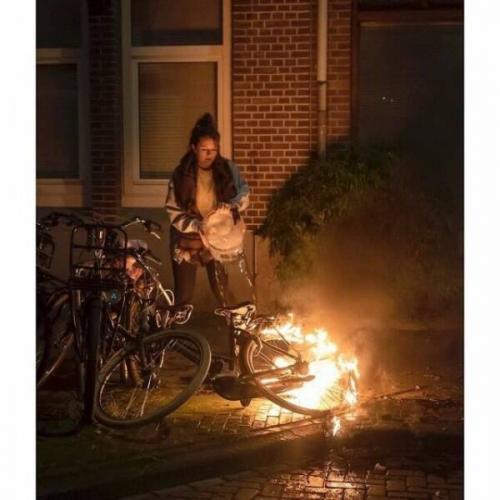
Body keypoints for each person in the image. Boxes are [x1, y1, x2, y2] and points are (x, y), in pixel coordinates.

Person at [165, 113, 249, 306]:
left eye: (213, 150)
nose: (209, 155)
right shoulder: (181, 174)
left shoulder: (227, 168)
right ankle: (173, 325)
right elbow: (173, 210)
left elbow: (244, 192)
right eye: (204, 150)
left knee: (222, 291)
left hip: (218, 237)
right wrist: (196, 225)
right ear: (193, 148)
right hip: (187, 239)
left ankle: (235, 325)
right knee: (184, 295)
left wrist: (232, 205)